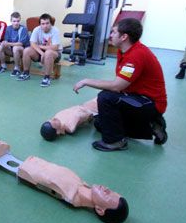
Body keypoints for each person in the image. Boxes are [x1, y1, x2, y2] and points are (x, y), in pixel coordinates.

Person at [0, 121, 129, 223]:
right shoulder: (79, 184)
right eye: (112, 191)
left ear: (100, 210)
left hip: (31, 168)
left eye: (108, 196)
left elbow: (47, 180)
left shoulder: (72, 193)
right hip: (29, 163)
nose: (107, 189)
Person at [72, 18, 168, 151]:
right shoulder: (124, 51)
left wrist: (86, 81)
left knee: (106, 97)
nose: (110, 35)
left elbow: (116, 86)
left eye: (113, 32)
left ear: (124, 37)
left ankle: (116, 142)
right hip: (136, 97)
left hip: (150, 103)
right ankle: (151, 126)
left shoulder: (136, 55)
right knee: (100, 123)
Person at [19, 13, 62, 87]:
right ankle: (26, 73)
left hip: (55, 54)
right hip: (40, 52)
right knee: (26, 50)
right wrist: (42, 53)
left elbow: (55, 47)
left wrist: (40, 47)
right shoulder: (37, 29)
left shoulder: (55, 30)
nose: (45, 26)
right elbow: (32, 43)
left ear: (51, 23)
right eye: (43, 24)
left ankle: (47, 77)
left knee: (48, 53)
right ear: (40, 24)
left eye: (47, 23)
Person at [0, 11, 29, 76]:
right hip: (12, 49)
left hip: (23, 51)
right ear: (11, 21)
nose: (16, 23)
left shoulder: (23, 29)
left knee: (15, 48)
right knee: (1, 47)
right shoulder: (8, 28)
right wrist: (4, 43)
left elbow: (20, 44)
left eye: (18, 21)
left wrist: (8, 44)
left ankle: (17, 69)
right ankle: (3, 66)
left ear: (20, 21)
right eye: (14, 21)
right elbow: (6, 41)